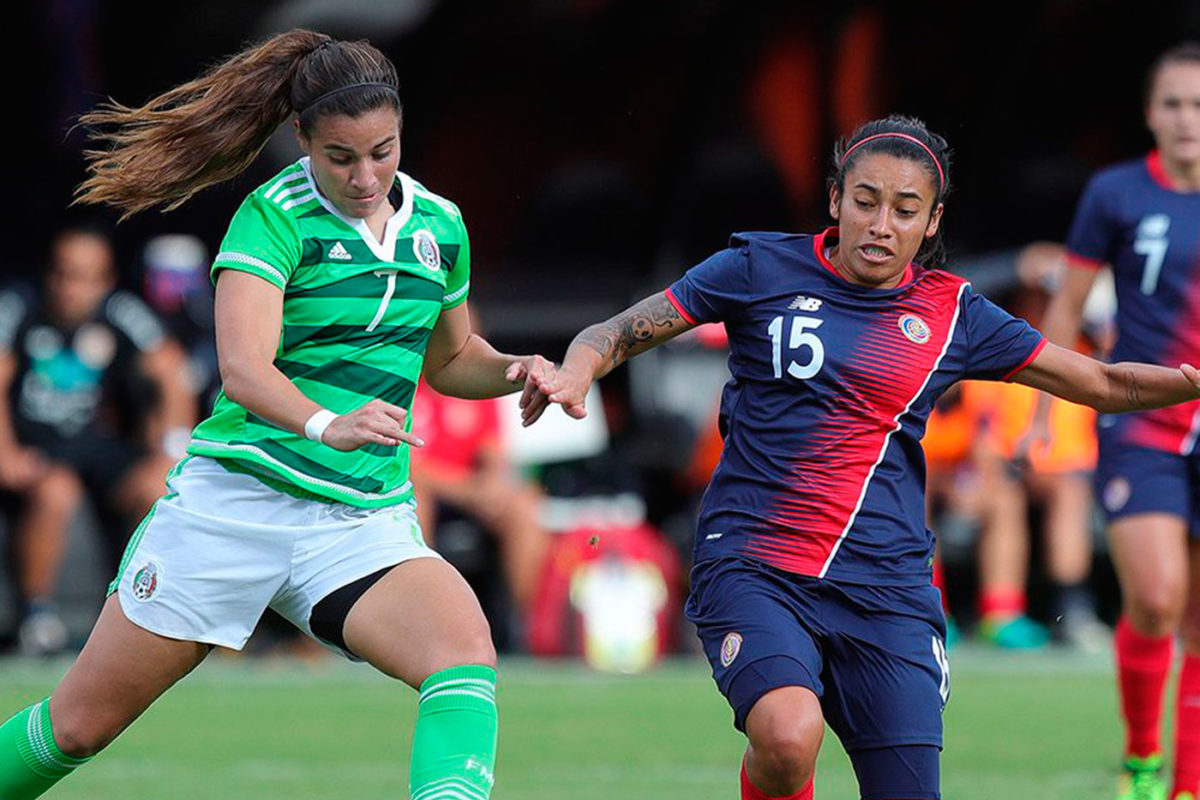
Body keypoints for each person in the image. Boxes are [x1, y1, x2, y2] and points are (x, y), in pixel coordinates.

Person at [530, 114, 1200, 800]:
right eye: (866, 201)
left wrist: (1193, 378)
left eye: (906, 209)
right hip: (758, 563)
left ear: (932, 221)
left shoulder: (953, 313)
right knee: (789, 735)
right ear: (834, 200)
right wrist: (579, 368)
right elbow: (616, 331)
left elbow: (1105, 383)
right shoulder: (758, 267)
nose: (882, 223)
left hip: (888, 589)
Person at [0, 29, 556, 800]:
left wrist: (519, 370)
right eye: (341, 157)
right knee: (78, 726)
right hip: (234, 510)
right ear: (303, 139)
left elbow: (453, 360)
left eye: (383, 151)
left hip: (359, 521)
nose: (366, 176)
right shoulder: (273, 217)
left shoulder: (441, 226)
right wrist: (329, 423)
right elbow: (245, 370)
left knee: (462, 655)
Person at [1032, 41, 1200, 800]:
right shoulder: (1115, 192)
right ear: (1149, 114)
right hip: (1145, 418)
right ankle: (1141, 759)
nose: (1187, 119)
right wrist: (1042, 409)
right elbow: (1066, 307)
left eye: (1199, 105)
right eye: (1172, 103)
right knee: (1158, 597)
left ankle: (1187, 785)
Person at [0, 224, 196, 656]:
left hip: (101, 449)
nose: (72, 288)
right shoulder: (19, 306)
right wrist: (6, 451)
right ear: (48, 274)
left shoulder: (120, 311)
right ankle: (38, 617)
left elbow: (171, 373)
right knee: (56, 492)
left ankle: (143, 612)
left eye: (86, 277)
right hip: (39, 451)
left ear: (105, 280)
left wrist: (172, 447)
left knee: (159, 485)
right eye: (64, 274)